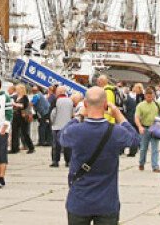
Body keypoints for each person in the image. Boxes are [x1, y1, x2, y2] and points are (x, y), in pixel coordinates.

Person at [59, 87, 140, 225]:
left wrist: (79, 116)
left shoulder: (77, 131)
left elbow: (62, 136)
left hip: (80, 199)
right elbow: (135, 140)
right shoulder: (116, 132)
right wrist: (119, 116)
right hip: (106, 201)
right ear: (105, 104)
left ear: (85, 104)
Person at [135, 88, 160, 172]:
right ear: (145, 96)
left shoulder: (156, 104)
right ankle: (141, 163)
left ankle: (155, 166)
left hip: (155, 128)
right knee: (143, 148)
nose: (150, 99)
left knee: (155, 148)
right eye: (148, 97)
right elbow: (136, 117)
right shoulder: (141, 105)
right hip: (145, 128)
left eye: (151, 97)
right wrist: (139, 127)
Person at [50, 86, 74, 167]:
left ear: (59, 92)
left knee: (56, 145)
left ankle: (55, 161)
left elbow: (53, 113)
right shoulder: (70, 100)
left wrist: (51, 122)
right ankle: (68, 161)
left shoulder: (56, 100)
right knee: (67, 145)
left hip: (57, 126)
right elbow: (72, 113)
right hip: (67, 125)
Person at [11, 84, 35, 155]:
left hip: (22, 116)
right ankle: (14, 148)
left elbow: (23, 106)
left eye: (17, 89)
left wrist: (15, 104)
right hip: (16, 115)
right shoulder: (16, 97)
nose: (16, 90)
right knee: (14, 132)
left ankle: (31, 147)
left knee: (24, 133)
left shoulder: (25, 97)